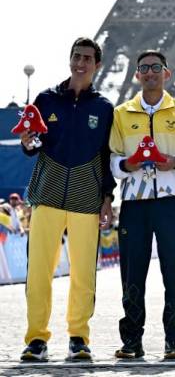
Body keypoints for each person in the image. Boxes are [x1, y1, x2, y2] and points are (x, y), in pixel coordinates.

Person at [18, 37, 115, 362]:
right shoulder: (46, 99)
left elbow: (107, 154)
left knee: (84, 273)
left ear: (97, 65)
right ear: (70, 59)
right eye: (77, 56)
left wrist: (107, 197)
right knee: (39, 272)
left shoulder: (104, 107)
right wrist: (28, 143)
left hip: (86, 199)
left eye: (88, 58)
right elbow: (33, 145)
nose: (81, 63)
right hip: (46, 195)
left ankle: (78, 337)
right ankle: (36, 339)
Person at [109, 50, 175, 360]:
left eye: (155, 68)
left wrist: (174, 161)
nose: (149, 73)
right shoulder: (121, 113)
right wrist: (129, 165)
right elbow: (112, 161)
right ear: (137, 75)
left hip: (170, 202)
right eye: (144, 68)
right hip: (134, 203)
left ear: (166, 73)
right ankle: (132, 340)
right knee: (132, 273)